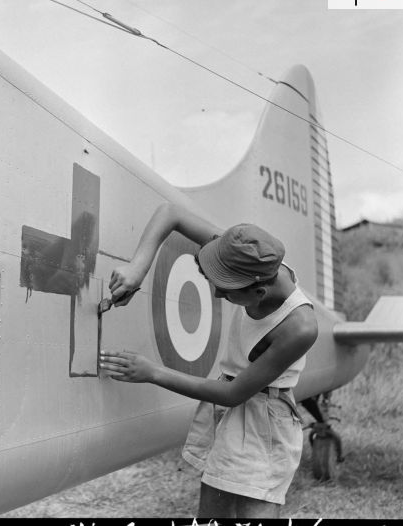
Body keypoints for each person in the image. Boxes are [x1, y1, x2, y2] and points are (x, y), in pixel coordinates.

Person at [99, 202, 318, 518]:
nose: (217, 295)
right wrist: (138, 269)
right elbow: (170, 213)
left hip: (265, 422)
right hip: (231, 412)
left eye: (227, 291)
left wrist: (152, 372)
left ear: (259, 292)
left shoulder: (300, 327)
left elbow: (233, 395)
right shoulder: (242, 257)